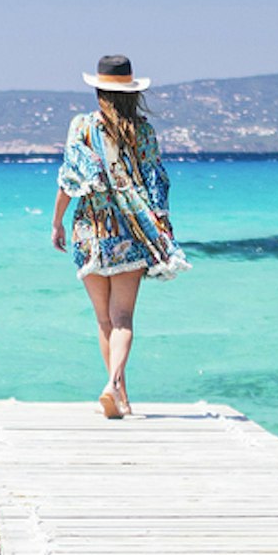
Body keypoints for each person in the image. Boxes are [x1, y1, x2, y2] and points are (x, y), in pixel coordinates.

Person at [50, 56, 178, 418]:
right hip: (130, 230)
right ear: (133, 93)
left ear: (98, 90)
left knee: (103, 320)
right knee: (122, 318)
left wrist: (57, 223)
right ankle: (115, 390)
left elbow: (69, 180)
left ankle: (116, 393)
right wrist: (162, 232)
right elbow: (157, 187)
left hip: (91, 229)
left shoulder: (82, 126)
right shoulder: (144, 132)